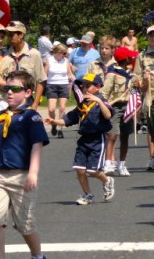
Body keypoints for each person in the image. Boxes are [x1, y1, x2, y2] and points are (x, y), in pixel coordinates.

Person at [0, 71, 49, 259]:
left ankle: (37, 256)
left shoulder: (31, 117)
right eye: (7, 88)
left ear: (28, 92)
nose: (9, 92)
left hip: (21, 175)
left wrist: (33, 173)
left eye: (15, 89)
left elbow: (37, 145)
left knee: (24, 223)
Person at [46, 73, 115, 205]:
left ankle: (107, 181)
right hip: (83, 139)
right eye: (83, 86)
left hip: (97, 139)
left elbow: (107, 115)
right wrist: (54, 121)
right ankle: (87, 194)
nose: (85, 88)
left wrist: (99, 101)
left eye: (89, 85)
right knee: (79, 169)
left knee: (92, 170)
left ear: (98, 87)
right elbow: (68, 120)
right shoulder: (81, 105)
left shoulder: (102, 101)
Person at [102, 46, 138, 177]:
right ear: (126, 58)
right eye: (130, 57)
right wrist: (104, 107)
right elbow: (105, 92)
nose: (132, 58)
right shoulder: (112, 73)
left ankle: (122, 164)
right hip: (115, 107)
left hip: (128, 106)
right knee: (112, 135)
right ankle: (108, 163)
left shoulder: (130, 74)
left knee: (125, 136)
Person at [0, 21, 46, 109]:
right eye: (8, 35)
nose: (9, 38)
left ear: (21, 35)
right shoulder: (4, 54)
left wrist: (35, 103)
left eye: (12, 35)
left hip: (27, 101)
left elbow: (40, 80)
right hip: (6, 101)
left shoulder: (34, 54)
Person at [133, 26, 154, 171]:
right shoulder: (142, 56)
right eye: (151, 35)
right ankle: (152, 158)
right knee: (152, 129)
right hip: (150, 96)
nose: (153, 37)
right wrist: (142, 81)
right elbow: (136, 77)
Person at [44, 43, 71, 138]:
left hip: (63, 84)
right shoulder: (50, 60)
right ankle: (53, 123)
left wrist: (77, 81)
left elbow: (70, 73)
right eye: (62, 53)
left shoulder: (66, 61)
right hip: (51, 85)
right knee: (51, 109)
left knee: (62, 108)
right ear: (56, 52)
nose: (63, 55)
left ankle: (60, 128)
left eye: (65, 53)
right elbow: (44, 74)